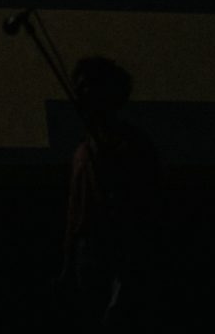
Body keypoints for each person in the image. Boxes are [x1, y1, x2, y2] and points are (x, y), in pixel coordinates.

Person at [60, 56, 161, 330]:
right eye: (78, 88)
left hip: (120, 247)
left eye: (87, 87)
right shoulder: (83, 152)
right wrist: (69, 261)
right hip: (88, 252)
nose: (79, 94)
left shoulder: (131, 146)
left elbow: (145, 206)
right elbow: (75, 212)